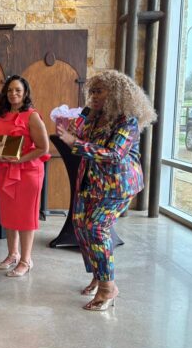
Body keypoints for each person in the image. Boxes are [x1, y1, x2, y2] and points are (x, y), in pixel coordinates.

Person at [56, 70, 156, 311]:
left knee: (96, 227)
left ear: (116, 93)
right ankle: (99, 275)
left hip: (117, 184)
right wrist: (76, 127)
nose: (93, 95)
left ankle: (108, 288)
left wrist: (75, 142)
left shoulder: (127, 120)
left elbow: (114, 154)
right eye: (91, 91)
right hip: (91, 181)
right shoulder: (93, 116)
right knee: (80, 225)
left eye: (99, 91)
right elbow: (79, 137)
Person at [0, 75, 50, 277]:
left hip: (28, 172)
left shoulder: (32, 116)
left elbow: (43, 148)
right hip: (5, 170)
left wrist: (20, 160)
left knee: (25, 217)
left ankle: (26, 260)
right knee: (9, 215)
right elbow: (1, 143)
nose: (13, 94)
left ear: (25, 93)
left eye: (18, 90)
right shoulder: (3, 115)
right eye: (10, 90)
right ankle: (13, 254)